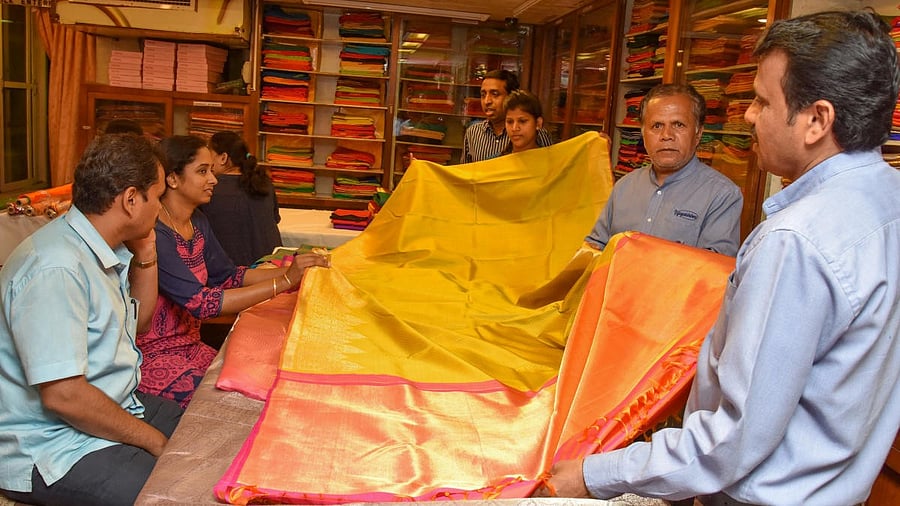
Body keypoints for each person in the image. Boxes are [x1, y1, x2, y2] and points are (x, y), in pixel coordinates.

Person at [538, 10, 900, 505]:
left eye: (762, 100)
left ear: (816, 120)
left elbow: (733, 440)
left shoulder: (794, 242)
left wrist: (594, 475)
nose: (748, 115)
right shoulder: (890, 202)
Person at [0, 134, 184, 505]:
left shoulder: (99, 247)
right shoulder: (57, 268)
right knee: (174, 492)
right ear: (131, 200)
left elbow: (140, 324)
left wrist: (146, 250)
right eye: (158, 196)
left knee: (205, 432)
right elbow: (64, 396)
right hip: (50, 444)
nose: (161, 209)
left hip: (112, 404)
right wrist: (151, 439)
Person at [138, 135, 329, 408]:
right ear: (172, 179)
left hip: (191, 347)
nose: (213, 179)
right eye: (202, 172)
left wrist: (296, 270)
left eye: (211, 171)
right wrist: (285, 281)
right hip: (155, 357)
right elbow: (201, 303)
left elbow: (229, 276)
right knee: (240, 401)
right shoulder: (156, 233)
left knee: (265, 380)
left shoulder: (198, 222)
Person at [584, 83, 743, 255]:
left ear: (698, 133)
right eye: (657, 126)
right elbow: (595, 247)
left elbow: (714, 271)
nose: (667, 135)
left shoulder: (722, 195)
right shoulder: (624, 187)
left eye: (679, 125)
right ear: (643, 133)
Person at [199, 131, 283, 266]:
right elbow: (274, 219)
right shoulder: (264, 182)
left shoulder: (209, 187)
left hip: (234, 272)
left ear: (223, 158)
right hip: (272, 265)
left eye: (210, 155)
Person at [462, 69, 553, 162]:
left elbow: (549, 164)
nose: (487, 101)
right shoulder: (473, 132)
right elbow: (465, 172)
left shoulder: (536, 133)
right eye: (483, 95)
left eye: (495, 94)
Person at [502, 90, 545, 154]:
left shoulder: (552, 162)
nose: (514, 128)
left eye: (522, 121)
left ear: (538, 123)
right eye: (510, 122)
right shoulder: (494, 162)